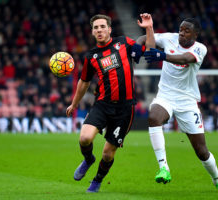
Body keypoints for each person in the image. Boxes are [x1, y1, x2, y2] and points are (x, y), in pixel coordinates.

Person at [137, 18, 218, 192]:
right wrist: (139, 44)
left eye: (186, 31)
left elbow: (185, 58)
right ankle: (164, 168)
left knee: (202, 151)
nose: (181, 33)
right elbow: (144, 39)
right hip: (165, 95)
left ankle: (217, 179)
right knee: (153, 117)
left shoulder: (200, 48)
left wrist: (162, 55)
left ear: (195, 34)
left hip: (187, 101)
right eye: (180, 29)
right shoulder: (169, 38)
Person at [66, 13, 153, 193]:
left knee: (107, 153)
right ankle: (88, 159)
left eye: (102, 26)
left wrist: (149, 28)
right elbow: (84, 82)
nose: (99, 30)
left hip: (125, 109)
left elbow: (150, 50)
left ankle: (97, 180)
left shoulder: (123, 42)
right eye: (96, 28)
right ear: (92, 32)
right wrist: (74, 104)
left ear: (109, 29)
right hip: (103, 104)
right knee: (84, 138)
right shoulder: (91, 56)